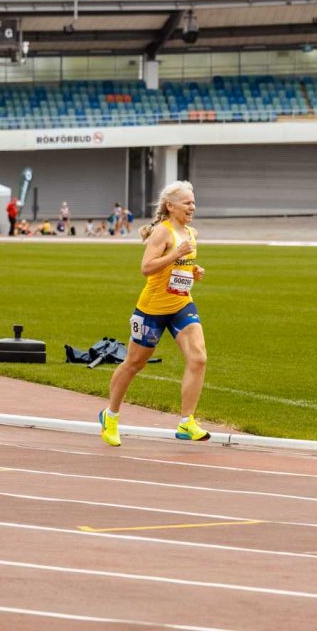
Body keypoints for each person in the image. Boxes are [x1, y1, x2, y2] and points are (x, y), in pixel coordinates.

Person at [98, 180, 210, 447]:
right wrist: (176, 255)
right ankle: (110, 415)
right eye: (187, 202)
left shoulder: (191, 233)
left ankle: (186, 422)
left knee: (198, 358)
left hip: (182, 305)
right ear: (170, 206)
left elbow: (180, 266)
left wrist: (193, 270)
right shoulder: (163, 232)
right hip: (152, 310)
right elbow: (147, 268)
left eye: (193, 202)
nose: (192, 207)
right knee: (134, 364)